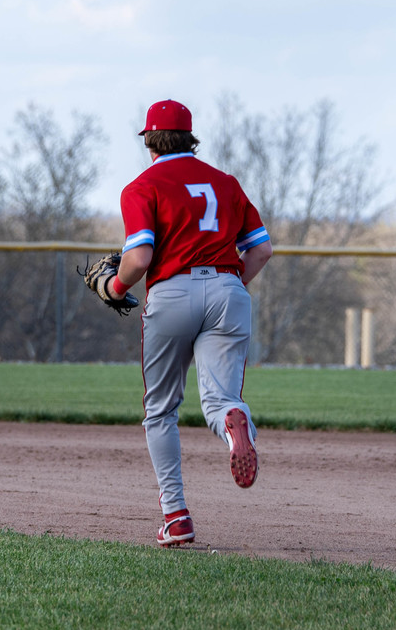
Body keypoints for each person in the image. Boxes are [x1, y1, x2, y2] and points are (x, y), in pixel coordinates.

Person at [105, 99, 273, 546]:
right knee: (220, 400)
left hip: (172, 293)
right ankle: (234, 419)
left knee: (161, 409)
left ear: (149, 141)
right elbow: (261, 250)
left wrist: (116, 288)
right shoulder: (226, 183)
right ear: (190, 138)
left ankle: (176, 516)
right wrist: (229, 286)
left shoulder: (142, 186)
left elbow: (140, 258)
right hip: (227, 289)